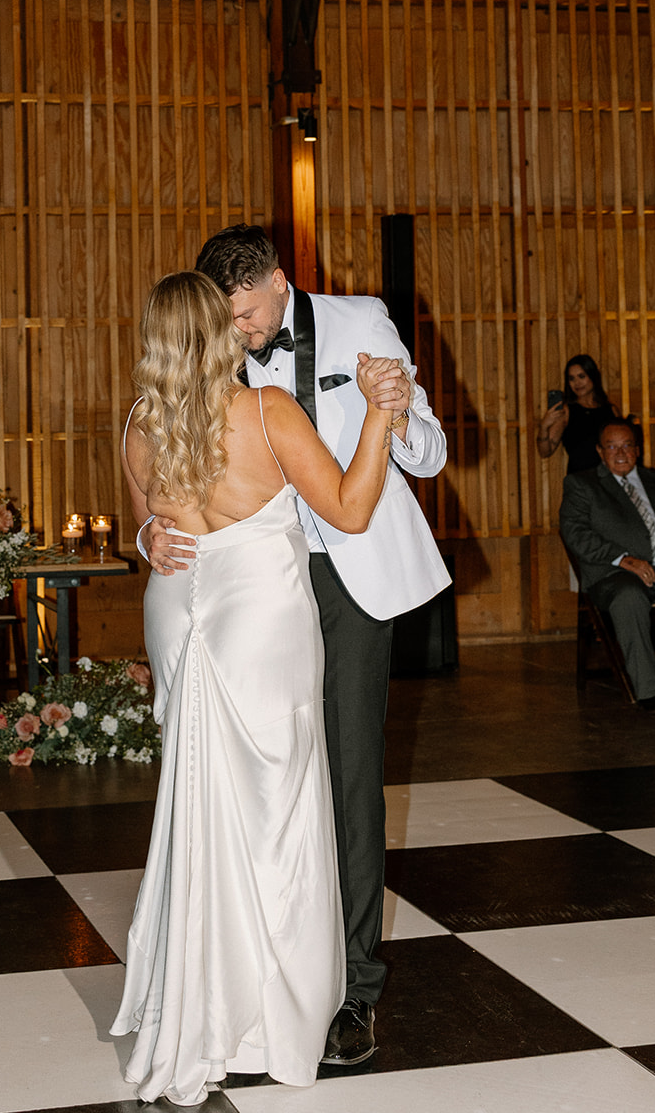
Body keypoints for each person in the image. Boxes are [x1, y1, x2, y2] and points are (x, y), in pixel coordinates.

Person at [141, 225, 450, 1068]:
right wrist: (148, 532)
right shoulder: (211, 337)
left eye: (248, 314)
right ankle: (248, 974)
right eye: (227, 319)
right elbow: (171, 451)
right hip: (250, 585)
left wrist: (396, 403)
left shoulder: (360, 322)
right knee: (248, 781)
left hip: (346, 577)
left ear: (280, 282)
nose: (240, 334)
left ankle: (352, 991)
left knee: (345, 777)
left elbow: (428, 451)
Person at [112, 271, 399, 1105]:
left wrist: (144, 535)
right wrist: (381, 417)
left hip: (176, 608)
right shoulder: (268, 412)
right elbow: (347, 512)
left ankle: (197, 994)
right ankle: (268, 1010)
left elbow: (148, 532)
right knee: (275, 808)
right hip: (260, 616)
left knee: (198, 796)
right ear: (218, 332)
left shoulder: (137, 422)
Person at [559, 421, 655, 713]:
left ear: (637, 450)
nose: (620, 453)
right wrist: (624, 558)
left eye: (627, 445)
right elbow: (575, 533)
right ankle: (649, 692)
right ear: (600, 451)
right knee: (629, 597)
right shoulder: (582, 485)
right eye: (612, 446)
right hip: (613, 575)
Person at [536, 354, 621, 475]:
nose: (577, 383)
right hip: (579, 484)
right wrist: (544, 426)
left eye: (581, 376)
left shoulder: (611, 410)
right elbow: (545, 452)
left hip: (609, 481)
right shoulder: (566, 411)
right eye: (571, 378)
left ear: (593, 376)